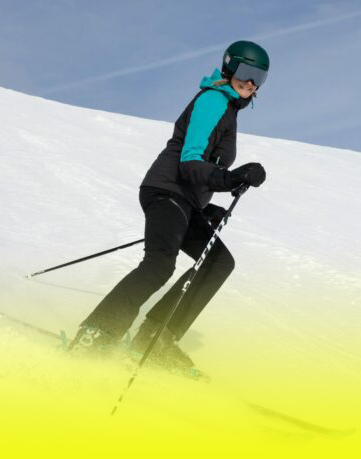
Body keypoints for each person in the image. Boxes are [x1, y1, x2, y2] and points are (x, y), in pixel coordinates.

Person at [69, 40, 270, 372]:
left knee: (217, 263)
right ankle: (96, 334)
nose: (251, 83)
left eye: (259, 77)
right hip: (166, 190)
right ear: (229, 67)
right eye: (246, 72)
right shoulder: (213, 100)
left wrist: (205, 207)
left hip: (185, 200)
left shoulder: (229, 110)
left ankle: (155, 338)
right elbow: (190, 161)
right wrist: (231, 178)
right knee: (159, 265)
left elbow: (202, 169)